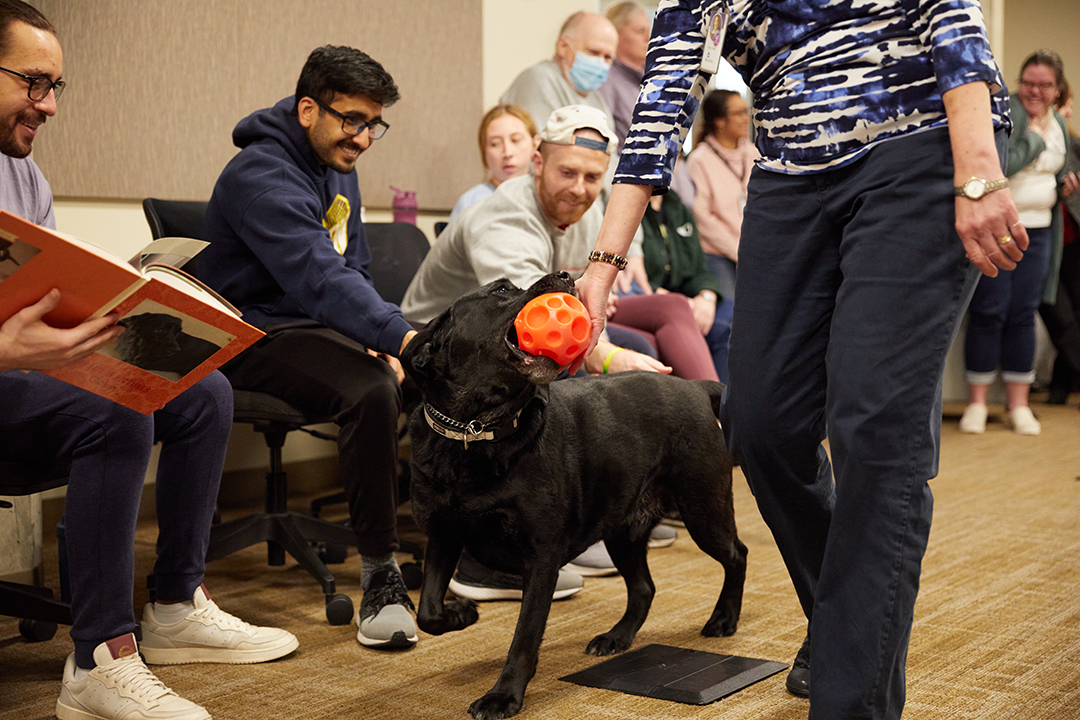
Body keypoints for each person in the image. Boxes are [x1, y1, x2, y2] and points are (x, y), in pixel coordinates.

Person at [574, 2, 1021, 718]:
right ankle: (846, 621)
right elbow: (660, 108)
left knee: (874, 428)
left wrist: (976, 170)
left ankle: (851, 694)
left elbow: (948, 10)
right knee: (759, 426)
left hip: (919, 143)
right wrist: (601, 265)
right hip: (789, 170)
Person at [0, 4, 297, 720]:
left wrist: (129, 312)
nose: (48, 105)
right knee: (115, 405)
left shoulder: (26, 177)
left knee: (199, 389)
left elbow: (46, 294)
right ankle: (99, 660)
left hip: (19, 386)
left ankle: (172, 606)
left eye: (56, 87)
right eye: (33, 82)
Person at [200, 45, 420, 651]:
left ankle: (482, 543)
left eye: (374, 124)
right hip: (248, 333)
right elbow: (317, 277)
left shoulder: (338, 161)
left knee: (425, 373)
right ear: (307, 109)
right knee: (372, 389)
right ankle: (381, 576)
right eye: (352, 119)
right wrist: (395, 336)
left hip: (309, 325)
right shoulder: (259, 176)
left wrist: (378, 336)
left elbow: (354, 268)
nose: (364, 138)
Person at [402, 105, 719, 385]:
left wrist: (602, 347)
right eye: (567, 172)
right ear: (538, 163)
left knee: (643, 343)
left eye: (592, 177)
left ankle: (717, 423)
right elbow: (533, 313)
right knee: (600, 368)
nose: (578, 189)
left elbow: (581, 306)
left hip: (514, 329)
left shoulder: (591, 212)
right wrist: (605, 359)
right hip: (442, 336)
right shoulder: (504, 215)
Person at [961, 49, 1074, 435]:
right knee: (989, 311)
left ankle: (1019, 405)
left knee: (1023, 314)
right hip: (1001, 227)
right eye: (1028, 82)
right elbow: (1000, 167)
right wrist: (1036, 143)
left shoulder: (1059, 122)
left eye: (1044, 85)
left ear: (1057, 89)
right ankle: (976, 404)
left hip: (1041, 231)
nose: (1034, 91)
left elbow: (1056, 174)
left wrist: (1064, 185)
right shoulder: (1003, 113)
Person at [639, 190, 733, 383]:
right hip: (648, 298)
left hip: (685, 298)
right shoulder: (629, 208)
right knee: (720, 326)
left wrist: (707, 296)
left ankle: (728, 404)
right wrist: (678, 301)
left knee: (735, 316)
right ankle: (714, 404)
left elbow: (699, 267)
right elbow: (627, 275)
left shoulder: (678, 208)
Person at [686, 88, 758, 300]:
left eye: (746, 111)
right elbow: (703, 219)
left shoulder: (755, 153)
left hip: (755, 251)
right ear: (720, 121)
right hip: (718, 253)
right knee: (730, 317)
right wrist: (738, 251)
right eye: (738, 113)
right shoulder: (699, 160)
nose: (746, 119)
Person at [500, 11, 616, 133]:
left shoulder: (596, 99)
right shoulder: (540, 79)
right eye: (593, 52)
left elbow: (610, 150)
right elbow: (546, 147)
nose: (600, 63)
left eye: (608, 57)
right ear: (563, 46)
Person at [1039, 91, 1080, 404]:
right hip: (1047, 243)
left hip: (1075, 243)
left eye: (1064, 107)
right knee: (1058, 314)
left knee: (1075, 315)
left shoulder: (1076, 147)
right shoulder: (1035, 141)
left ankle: (1061, 385)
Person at [449, 104, 538, 220]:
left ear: (535, 144)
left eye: (515, 140)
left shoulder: (547, 199)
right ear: (483, 151)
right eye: (495, 144)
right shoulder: (472, 203)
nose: (507, 153)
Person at [597, 1, 650, 154]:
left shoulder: (648, 80)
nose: (648, 38)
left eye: (649, 31)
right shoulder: (605, 80)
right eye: (640, 31)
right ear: (615, 35)